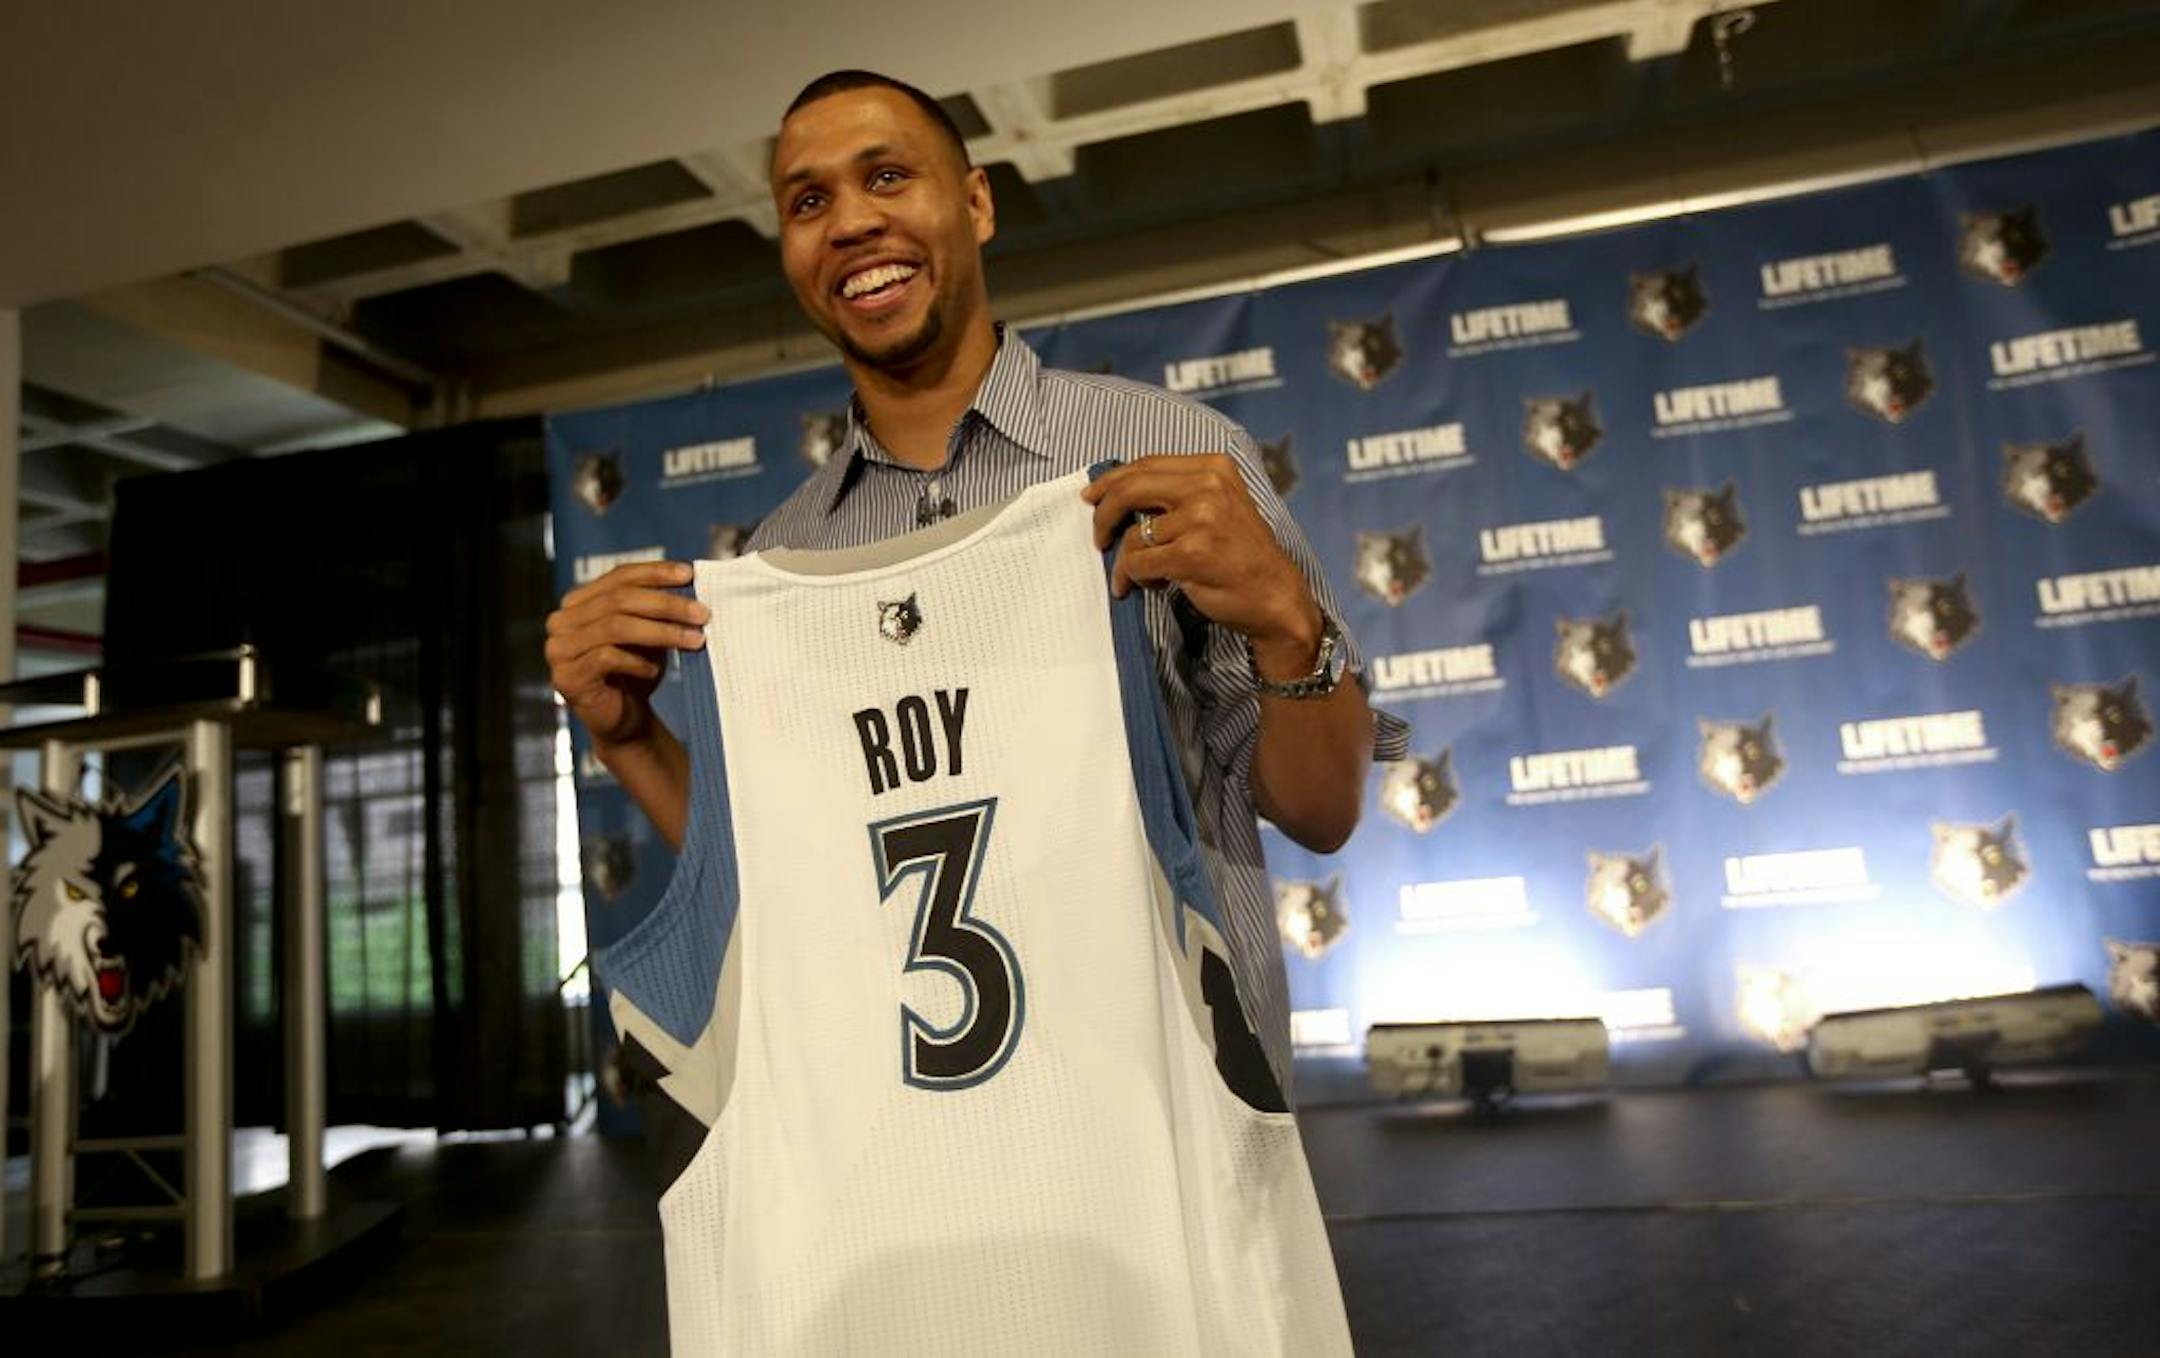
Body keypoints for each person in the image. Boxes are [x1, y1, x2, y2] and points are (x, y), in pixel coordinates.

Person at [544, 67, 1407, 1105]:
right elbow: (783, 878)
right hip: (919, 1139)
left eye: (889, 176)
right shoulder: (785, 555)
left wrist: (1287, 620)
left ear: (978, 202)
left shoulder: (1170, 454)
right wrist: (628, 735)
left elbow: (1320, 811)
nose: (852, 222)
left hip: (1178, 1114)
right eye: (808, 202)